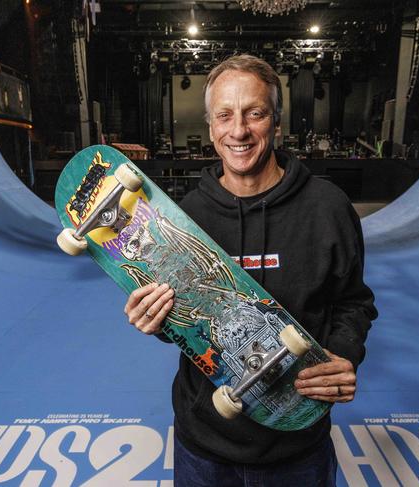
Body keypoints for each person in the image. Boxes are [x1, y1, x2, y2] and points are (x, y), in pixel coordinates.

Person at [123, 54, 377, 486]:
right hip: (205, 444)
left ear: (276, 122)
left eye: (254, 114)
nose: (238, 130)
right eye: (224, 115)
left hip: (297, 442)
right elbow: (188, 323)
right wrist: (155, 319)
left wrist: (343, 354)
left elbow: (354, 302)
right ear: (210, 126)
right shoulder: (185, 218)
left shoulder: (327, 208)